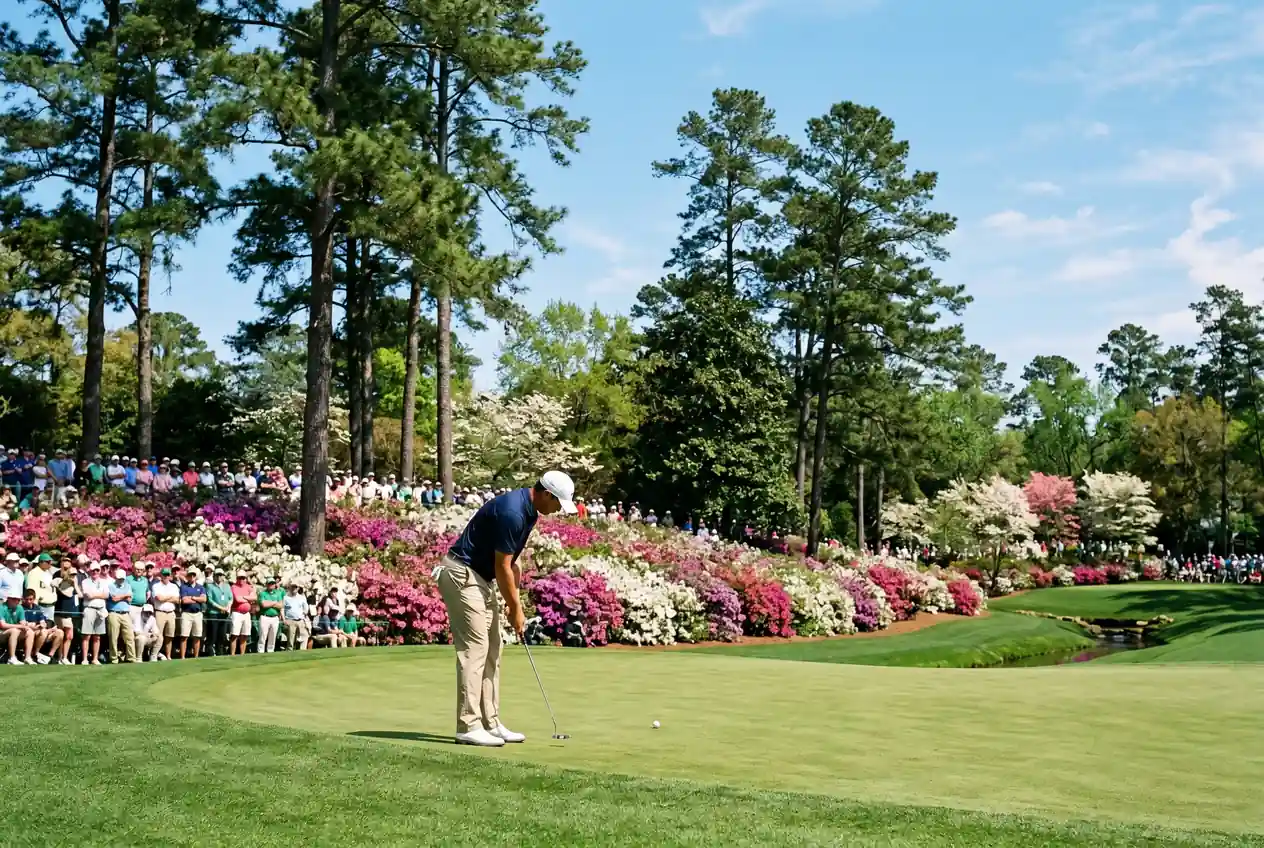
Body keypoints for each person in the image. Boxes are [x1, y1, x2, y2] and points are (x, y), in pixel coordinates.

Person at [436, 470, 576, 747]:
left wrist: (516, 604)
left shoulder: (531, 511)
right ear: (546, 494)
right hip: (461, 574)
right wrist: (515, 608)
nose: (559, 509)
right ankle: (468, 725)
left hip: (481, 578)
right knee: (474, 650)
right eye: (558, 502)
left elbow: (511, 563)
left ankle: (491, 722)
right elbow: (502, 566)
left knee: (493, 649)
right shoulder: (513, 512)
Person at [106, 568, 137, 664]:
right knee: (113, 637)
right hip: (114, 613)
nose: (121, 580)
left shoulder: (128, 586)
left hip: (125, 613)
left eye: (122, 579)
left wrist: (122, 596)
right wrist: (124, 596)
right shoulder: (111, 586)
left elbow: (129, 599)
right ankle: (114, 658)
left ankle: (131, 657)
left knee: (130, 637)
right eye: (119, 578)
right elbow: (114, 599)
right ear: (116, 577)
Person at [179, 568, 206, 659]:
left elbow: (204, 599)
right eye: (190, 575)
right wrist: (197, 599)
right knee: (184, 636)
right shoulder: (184, 586)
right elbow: (184, 600)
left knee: (197, 636)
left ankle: (196, 657)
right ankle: (182, 657)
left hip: (198, 614)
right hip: (186, 613)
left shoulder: (200, 587)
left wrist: (192, 598)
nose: (192, 577)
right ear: (188, 576)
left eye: (193, 575)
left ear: (196, 576)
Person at [204, 570, 231, 656]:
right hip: (214, 613)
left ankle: (220, 652)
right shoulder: (210, 586)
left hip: (224, 613)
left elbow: (231, 598)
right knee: (213, 634)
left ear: (223, 576)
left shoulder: (227, 586)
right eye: (217, 575)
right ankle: (210, 652)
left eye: (221, 575)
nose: (219, 577)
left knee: (222, 634)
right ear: (214, 576)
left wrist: (227, 607)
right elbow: (210, 600)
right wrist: (221, 608)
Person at [229, 571, 255, 655]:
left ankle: (242, 654)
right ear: (237, 578)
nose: (241, 580)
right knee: (234, 635)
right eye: (240, 578)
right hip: (237, 612)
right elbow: (237, 599)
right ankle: (233, 654)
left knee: (245, 635)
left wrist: (244, 597)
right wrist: (248, 599)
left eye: (243, 578)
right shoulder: (234, 587)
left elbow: (254, 597)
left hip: (246, 614)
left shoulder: (248, 587)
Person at [256, 576, 283, 653]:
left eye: (273, 583)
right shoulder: (262, 593)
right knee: (263, 636)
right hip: (265, 617)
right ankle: (260, 651)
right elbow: (264, 605)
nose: (271, 585)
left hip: (275, 618)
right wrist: (275, 602)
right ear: (267, 584)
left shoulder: (278, 593)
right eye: (270, 583)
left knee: (273, 636)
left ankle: (270, 651)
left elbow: (281, 605)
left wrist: (270, 603)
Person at [282, 581, 310, 650]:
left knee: (304, 637)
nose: (294, 588)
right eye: (293, 587)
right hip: (290, 621)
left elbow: (306, 608)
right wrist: (284, 620)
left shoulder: (302, 597)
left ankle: (302, 653)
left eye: (295, 587)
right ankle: (290, 654)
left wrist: (304, 613)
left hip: (300, 621)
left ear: (298, 588)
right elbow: (282, 609)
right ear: (290, 588)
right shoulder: (285, 597)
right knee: (291, 640)